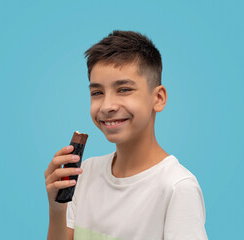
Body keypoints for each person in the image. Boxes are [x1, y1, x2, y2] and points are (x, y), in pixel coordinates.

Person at [44, 30, 208, 240]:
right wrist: (57, 209)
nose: (107, 106)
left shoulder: (177, 187)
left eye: (123, 90)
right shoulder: (85, 174)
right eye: (97, 93)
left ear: (158, 98)